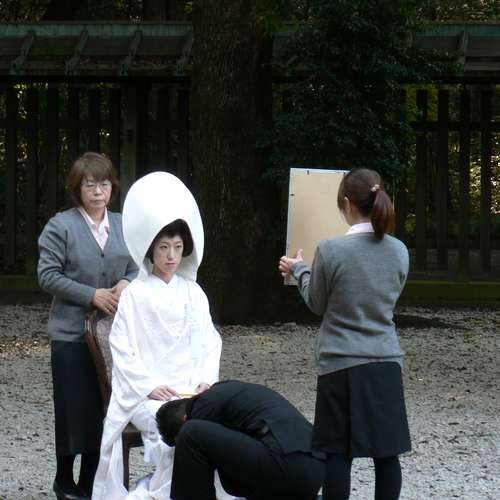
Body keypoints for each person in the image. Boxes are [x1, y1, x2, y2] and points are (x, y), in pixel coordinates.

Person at [92, 172, 228, 500]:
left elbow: (210, 343)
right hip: (146, 394)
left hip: (189, 386)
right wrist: (148, 386)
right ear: (150, 250)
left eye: (178, 247)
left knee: (214, 425)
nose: (171, 256)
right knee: (177, 426)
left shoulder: (193, 292)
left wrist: (205, 382)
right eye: (164, 247)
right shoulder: (135, 294)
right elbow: (122, 349)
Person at [278, 168, 411, 500]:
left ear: (347, 203)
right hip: (385, 361)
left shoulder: (331, 250)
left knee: (337, 454)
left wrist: (300, 270)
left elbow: (317, 303)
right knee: (387, 455)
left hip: (340, 363)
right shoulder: (399, 250)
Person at [38, 152, 138, 500]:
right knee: (73, 407)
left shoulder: (124, 225)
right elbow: (47, 275)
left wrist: (126, 282)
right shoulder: (61, 226)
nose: (98, 191)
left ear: (113, 188)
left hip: (112, 335)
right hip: (70, 334)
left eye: (104, 184)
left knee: (104, 406)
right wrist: (90, 295)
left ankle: (90, 482)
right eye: (90, 185)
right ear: (77, 189)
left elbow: (138, 265)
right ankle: (64, 480)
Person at [156, 380, 324, 500]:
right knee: (230, 480)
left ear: (184, 418)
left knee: (191, 432)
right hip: (311, 471)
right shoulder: (224, 391)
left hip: (286, 463)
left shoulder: (202, 406)